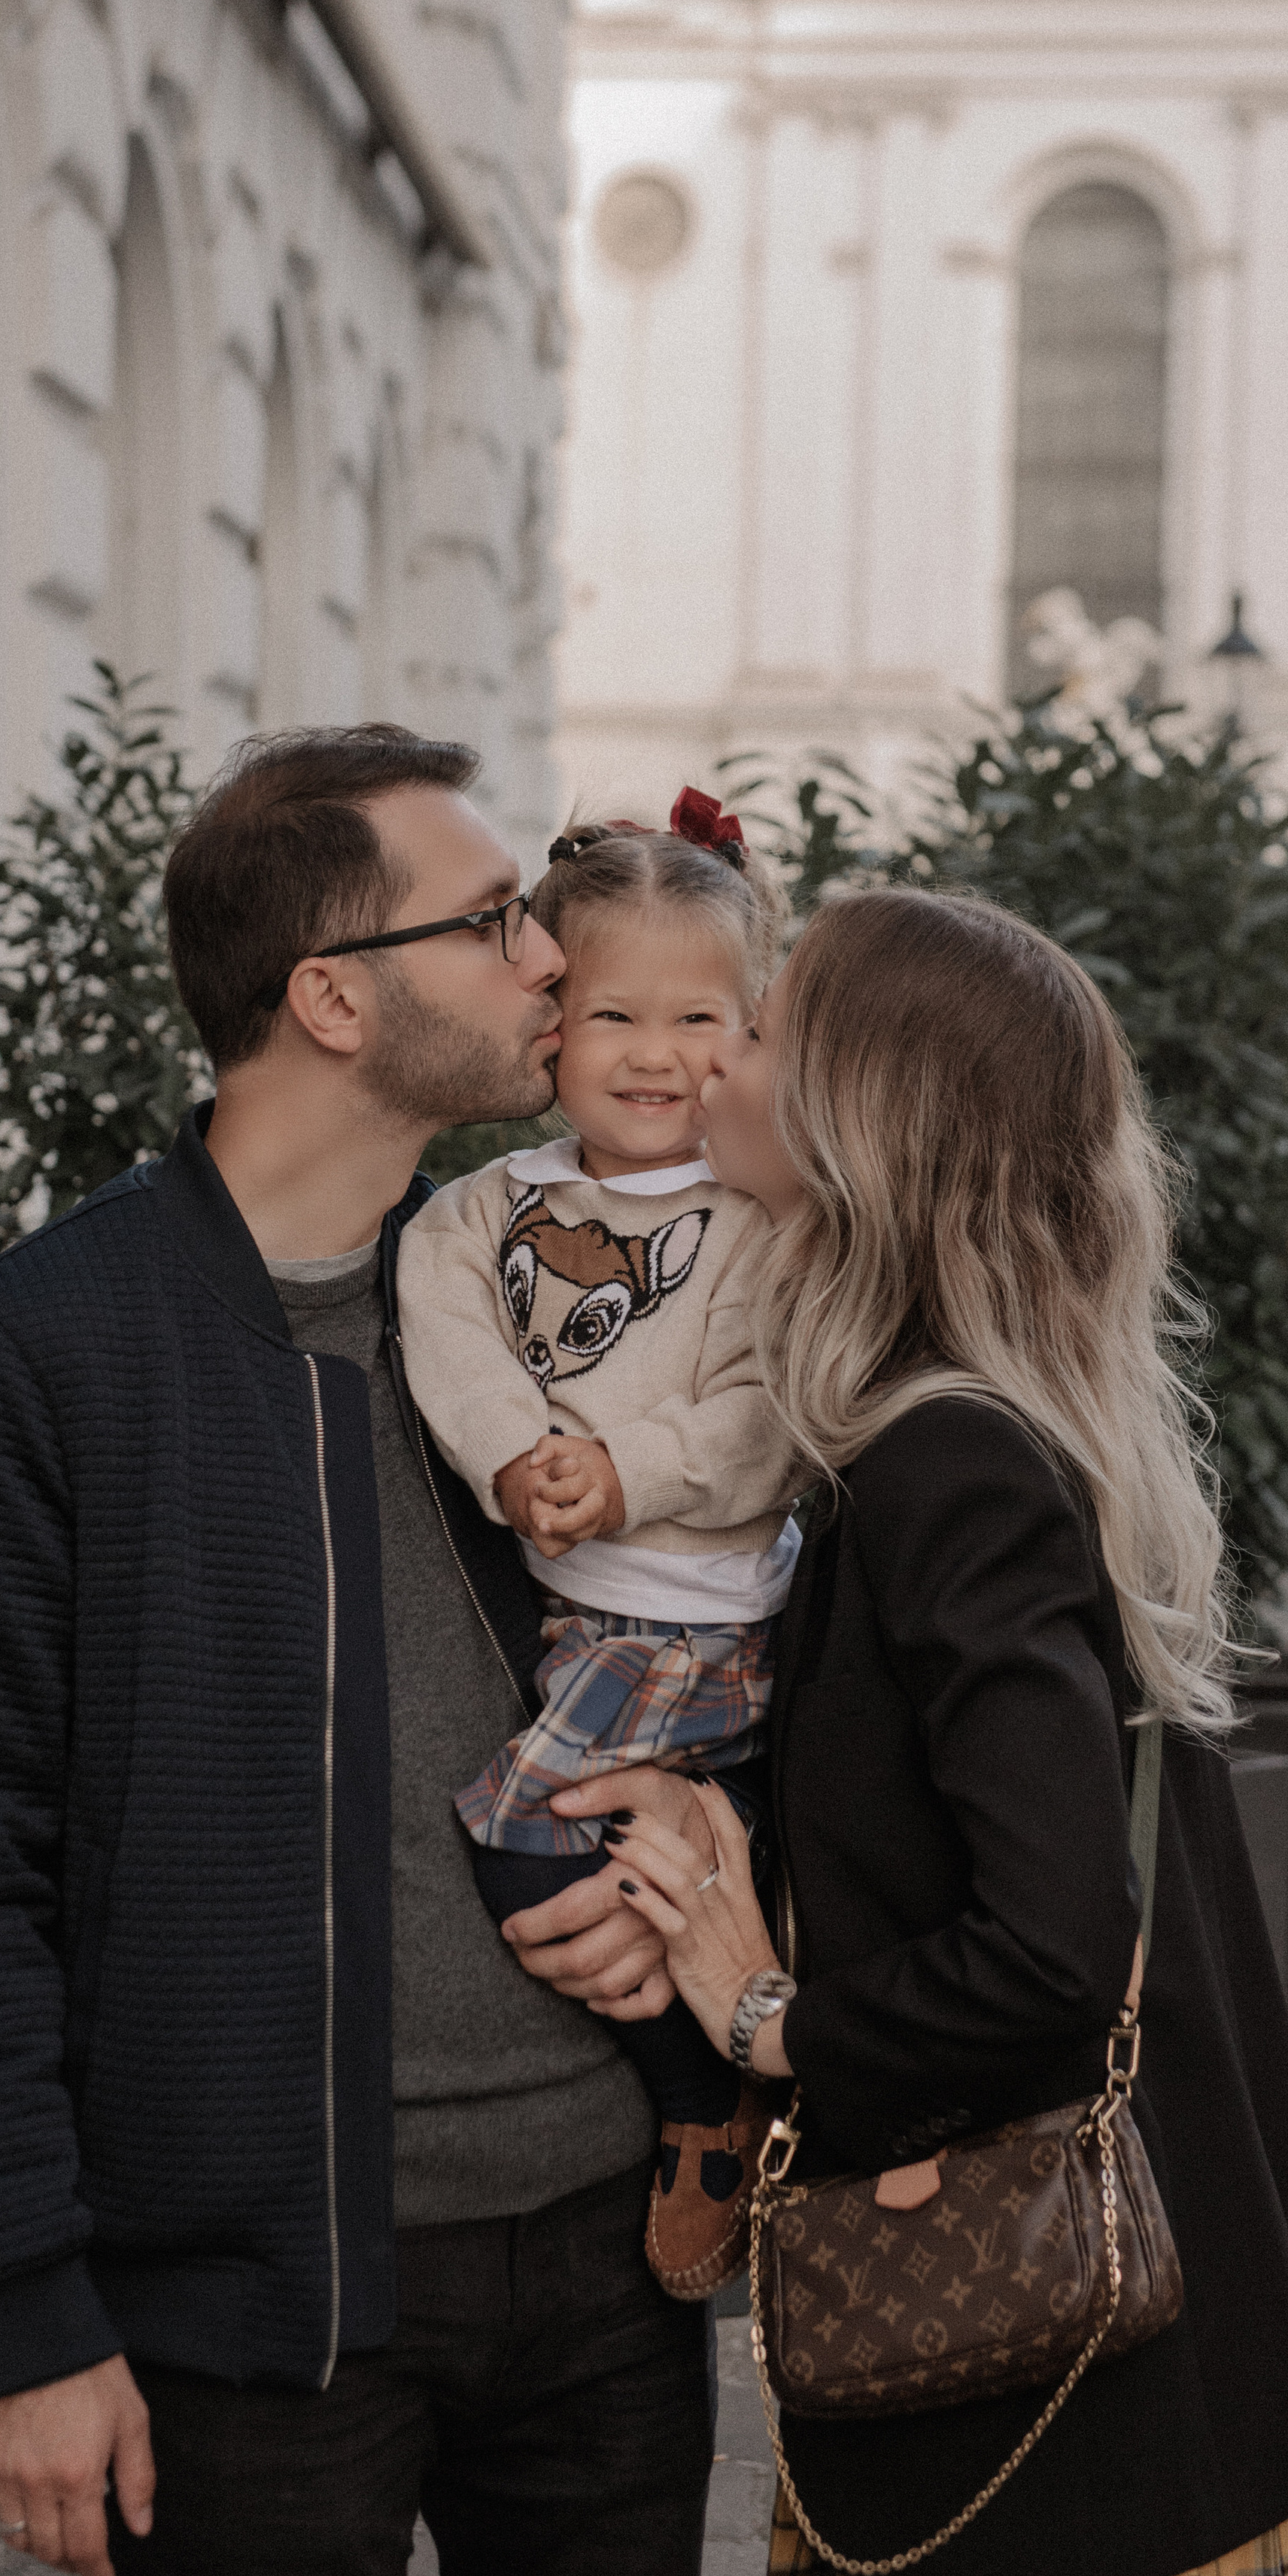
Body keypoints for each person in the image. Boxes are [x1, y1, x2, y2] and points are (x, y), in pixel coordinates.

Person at [0, 724, 721, 2576]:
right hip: (252, 2314)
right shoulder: (36, 1357)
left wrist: (697, 1849)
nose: (550, 962)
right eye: (495, 922)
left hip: (604, 2261)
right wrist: (25, 2320)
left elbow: (717, 1636)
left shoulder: (541, 1308)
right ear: (331, 995)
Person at [547, 886, 1288, 2576]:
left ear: (865, 1112)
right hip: (1096, 2383)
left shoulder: (949, 1465)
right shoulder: (964, 1425)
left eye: (761, 1029)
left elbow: (1052, 1949)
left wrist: (767, 2014)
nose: (714, 1062)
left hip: (1055, 2404)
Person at [397, 797, 798, 2298]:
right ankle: (724, 2044)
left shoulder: (766, 1216)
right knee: (660, 1845)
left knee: (520, 1828)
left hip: (692, 1620)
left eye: (697, 1016)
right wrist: (517, 1453)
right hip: (574, 1615)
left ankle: (704, 2107)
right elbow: (450, 1346)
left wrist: (623, 1470)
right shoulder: (477, 1213)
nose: (651, 1052)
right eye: (610, 1011)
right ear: (547, 1028)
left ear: (751, 1028)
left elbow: (765, 1410)